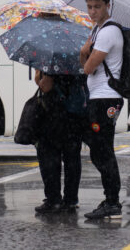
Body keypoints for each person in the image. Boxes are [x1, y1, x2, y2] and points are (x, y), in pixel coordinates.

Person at [79, 0, 125, 220]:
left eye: (97, 6)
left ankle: (113, 202)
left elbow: (88, 67)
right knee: (99, 149)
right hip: (98, 97)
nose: (92, 11)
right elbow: (86, 63)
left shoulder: (109, 31)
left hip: (107, 98)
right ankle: (110, 198)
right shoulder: (97, 30)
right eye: (89, 6)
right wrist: (83, 52)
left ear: (108, 5)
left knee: (103, 151)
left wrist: (86, 52)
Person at [33, 69, 89, 214]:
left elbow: (44, 85)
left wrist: (40, 71)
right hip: (75, 115)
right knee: (72, 159)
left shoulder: (52, 65)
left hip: (54, 115)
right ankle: (70, 200)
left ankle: (53, 200)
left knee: (49, 158)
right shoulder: (77, 62)